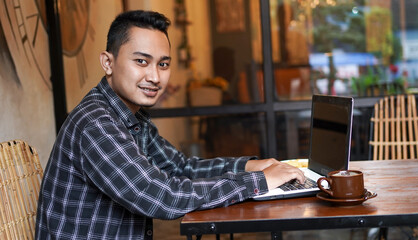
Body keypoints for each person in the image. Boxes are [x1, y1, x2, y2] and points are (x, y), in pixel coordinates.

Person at [35, 10, 305, 239]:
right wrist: (258, 181)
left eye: (163, 64)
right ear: (108, 62)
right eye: (141, 61)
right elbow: (161, 196)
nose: (154, 77)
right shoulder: (96, 124)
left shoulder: (131, 117)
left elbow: (181, 168)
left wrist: (250, 166)